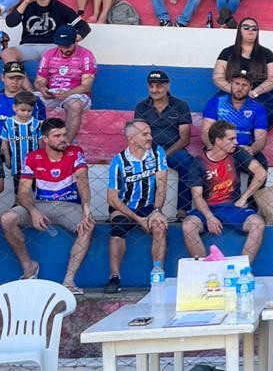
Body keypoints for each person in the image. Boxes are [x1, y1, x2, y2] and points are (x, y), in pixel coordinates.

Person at [1, 117, 93, 293]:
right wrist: (33, 211)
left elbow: (83, 180)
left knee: (88, 226)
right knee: (7, 219)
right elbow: (23, 192)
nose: (63, 139)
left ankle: (69, 281)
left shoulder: (75, 152)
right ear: (45, 139)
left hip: (69, 205)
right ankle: (29, 267)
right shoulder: (33, 157)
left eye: (64, 135)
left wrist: (87, 210)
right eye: (57, 136)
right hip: (41, 204)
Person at [181, 121, 266, 261]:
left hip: (232, 207)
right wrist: (209, 217)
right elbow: (197, 195)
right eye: (231, 139)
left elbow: (261, 173)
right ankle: (205, 268)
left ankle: (242, 268)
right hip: (207, 208)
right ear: (218, 140)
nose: (236, 142)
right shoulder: (198, 162)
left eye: (235, 138)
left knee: (258, 224)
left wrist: (244, 198)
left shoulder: (237, 153)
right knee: (188, 225)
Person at [104, 119, 169, 293]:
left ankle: (157, 272)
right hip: (124, 207)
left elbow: (162, 185)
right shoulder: (118, 161)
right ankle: (114, 277)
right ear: (131, 138)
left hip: (149, 206)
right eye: (145, 134)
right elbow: (112, 199)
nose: (150, 137)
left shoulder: (157, 152)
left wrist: (157, 211)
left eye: (150, 133)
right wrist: (138, 219)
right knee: (118, 227)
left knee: (159, 226)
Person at [134, 69, 196, 217]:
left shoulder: (180, 105)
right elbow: (138, 135)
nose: (154, 90)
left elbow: (185, 138)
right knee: (136, 164)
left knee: (188, 163)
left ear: (167, 86)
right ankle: (144, 210)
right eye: (151, 86)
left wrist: (163, 155)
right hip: (149, 150)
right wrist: (151, 153)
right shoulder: (142, 107)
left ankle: (183, 209)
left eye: (159, 86)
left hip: (174, 150)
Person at [3, 0, 90, 66]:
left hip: (52, 47)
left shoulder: (61, 8)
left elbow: (84, 27)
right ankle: (17, 75)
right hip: (28, 46)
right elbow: (10, 23)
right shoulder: (26, 5)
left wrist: (70, 40)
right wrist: (25, 2)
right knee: (7, 53)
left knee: (56, 57)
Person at [213, 19, 273, 127]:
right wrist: (234, 90)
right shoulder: (227, 52)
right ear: (239, 30)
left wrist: (255, 92)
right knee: (214, 108)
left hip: (259, 92)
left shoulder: (267, 53)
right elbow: (218, 77)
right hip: (231, 90)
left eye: (254, 28)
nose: (250, 30)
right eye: (246, 27)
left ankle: (251, 135)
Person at [35, 23, 96, 142]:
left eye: (67, 46)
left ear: (75, 41)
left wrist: (67, 93)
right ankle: (33, 144)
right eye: (60, 46)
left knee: (75, 105)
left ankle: (65, 144)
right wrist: (42, 88)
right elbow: (40, 80)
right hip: (52, 92)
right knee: (27, 100)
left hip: (76, 94)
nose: (63, 49)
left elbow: (86, 86)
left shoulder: (86, 55)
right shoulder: (49, 54)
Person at [201, 71, 269, 169]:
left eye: (244, 85)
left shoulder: (257, 107)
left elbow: (261, 137)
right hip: (219, 147)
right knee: (231, 165)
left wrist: (252, 149)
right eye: (237, 83)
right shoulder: (216, 102)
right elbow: (205, 131)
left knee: (262, 163)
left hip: (244, 148)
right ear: (231, 84)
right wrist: (212, 148)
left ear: (250, 87)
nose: (240, 88)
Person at [1, 90, 43, 191]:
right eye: (22, 110)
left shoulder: (36, 124)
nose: (26, 113)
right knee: (18, 190)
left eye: (29, 111)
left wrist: (42, 158)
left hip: (34, 163)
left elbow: (40, 142)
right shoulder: (8, 123)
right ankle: (18, 200)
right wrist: (7, 158)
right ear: (14, 107)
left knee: (35, 189)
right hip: (17, 163)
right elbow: (4, 142)